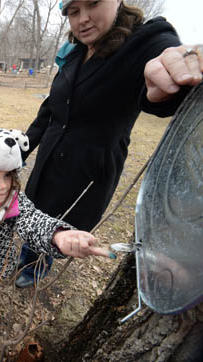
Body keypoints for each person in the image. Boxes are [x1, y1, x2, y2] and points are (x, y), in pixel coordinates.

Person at [17, 0, 203, 288]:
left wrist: (173, 72)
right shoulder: (74, 54)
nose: (83, 19)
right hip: (49, 161)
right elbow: (50, 110)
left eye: (93, 4)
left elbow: (162, 61)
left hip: (84, 174)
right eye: (73, 12)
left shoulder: (141, 43)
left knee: (61, 225)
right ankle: (26, 258)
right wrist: (19, 149)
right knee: (36, 214)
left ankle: (37, 269)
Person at [0, 127, 114, 323]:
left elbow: (32, 220)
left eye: (8, 175)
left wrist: (56, 235)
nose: (4, 185)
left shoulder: (13, 202)